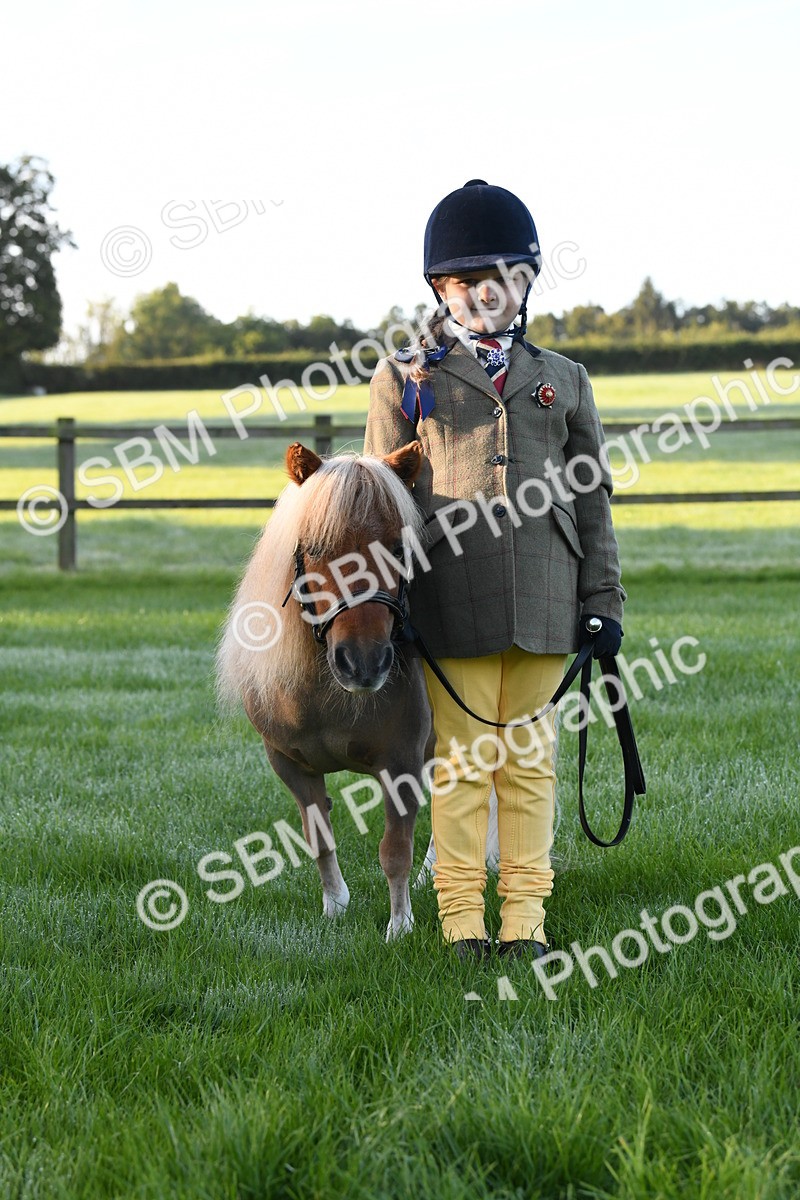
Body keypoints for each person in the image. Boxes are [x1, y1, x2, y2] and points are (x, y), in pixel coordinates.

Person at [363, 179, 626, 963]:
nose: (486, 294)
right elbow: (381, 499)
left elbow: (592, 495)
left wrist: (604, 597)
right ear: (440, 290)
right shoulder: (403, 377)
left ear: (526, 284)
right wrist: (387, 601)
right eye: (467, 281)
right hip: (451, 597)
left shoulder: (566, 378)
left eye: (504, 278)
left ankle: (526, 922)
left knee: (532, 766)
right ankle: (461, 922)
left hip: (548, 596)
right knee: (463, 767)